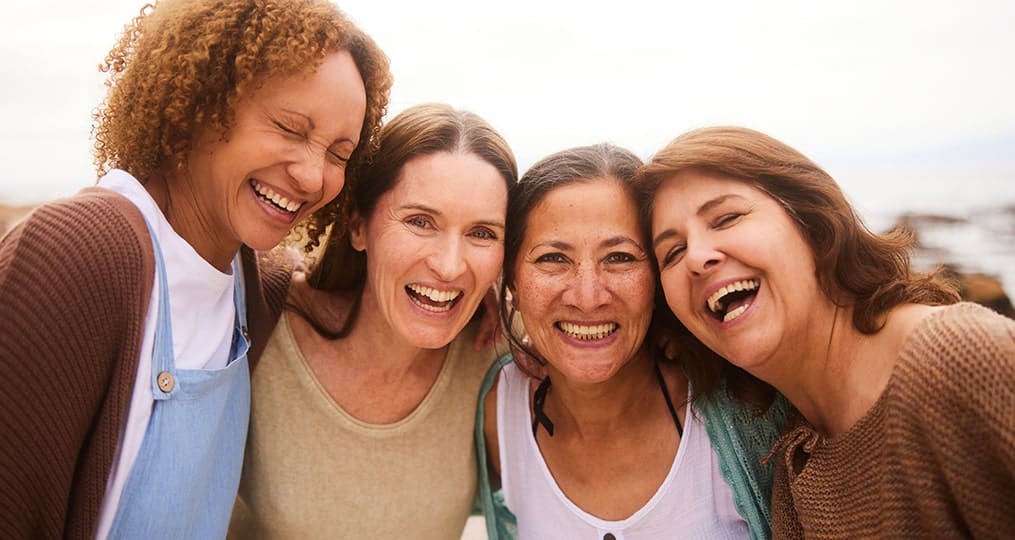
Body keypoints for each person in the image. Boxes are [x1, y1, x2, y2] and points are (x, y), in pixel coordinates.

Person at [0, 0, 391, 537]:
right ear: (200, 104)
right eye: (289, 128)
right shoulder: (78, 252)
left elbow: (327, 288)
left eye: (339, 154)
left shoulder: (252, 286)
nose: (312, 176)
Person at [637, 126, 1015, 538]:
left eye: (726, 218)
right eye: (672, 252)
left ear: (812, 223)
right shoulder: (792, 460)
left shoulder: (958, 359)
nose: (697, 257)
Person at [229, 103, 517, 539]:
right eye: (421, 221)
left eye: (482, 233)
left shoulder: (494, 357)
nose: (450, 265)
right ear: (358, 226)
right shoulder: (264, 324)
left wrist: (511, 295)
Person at [474, 143, 788, 540]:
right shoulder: (495, 410)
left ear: (657, 277)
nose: (588, 297)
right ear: (513, 282)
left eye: (620, 257)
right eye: (553, 258)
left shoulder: (746, 405)